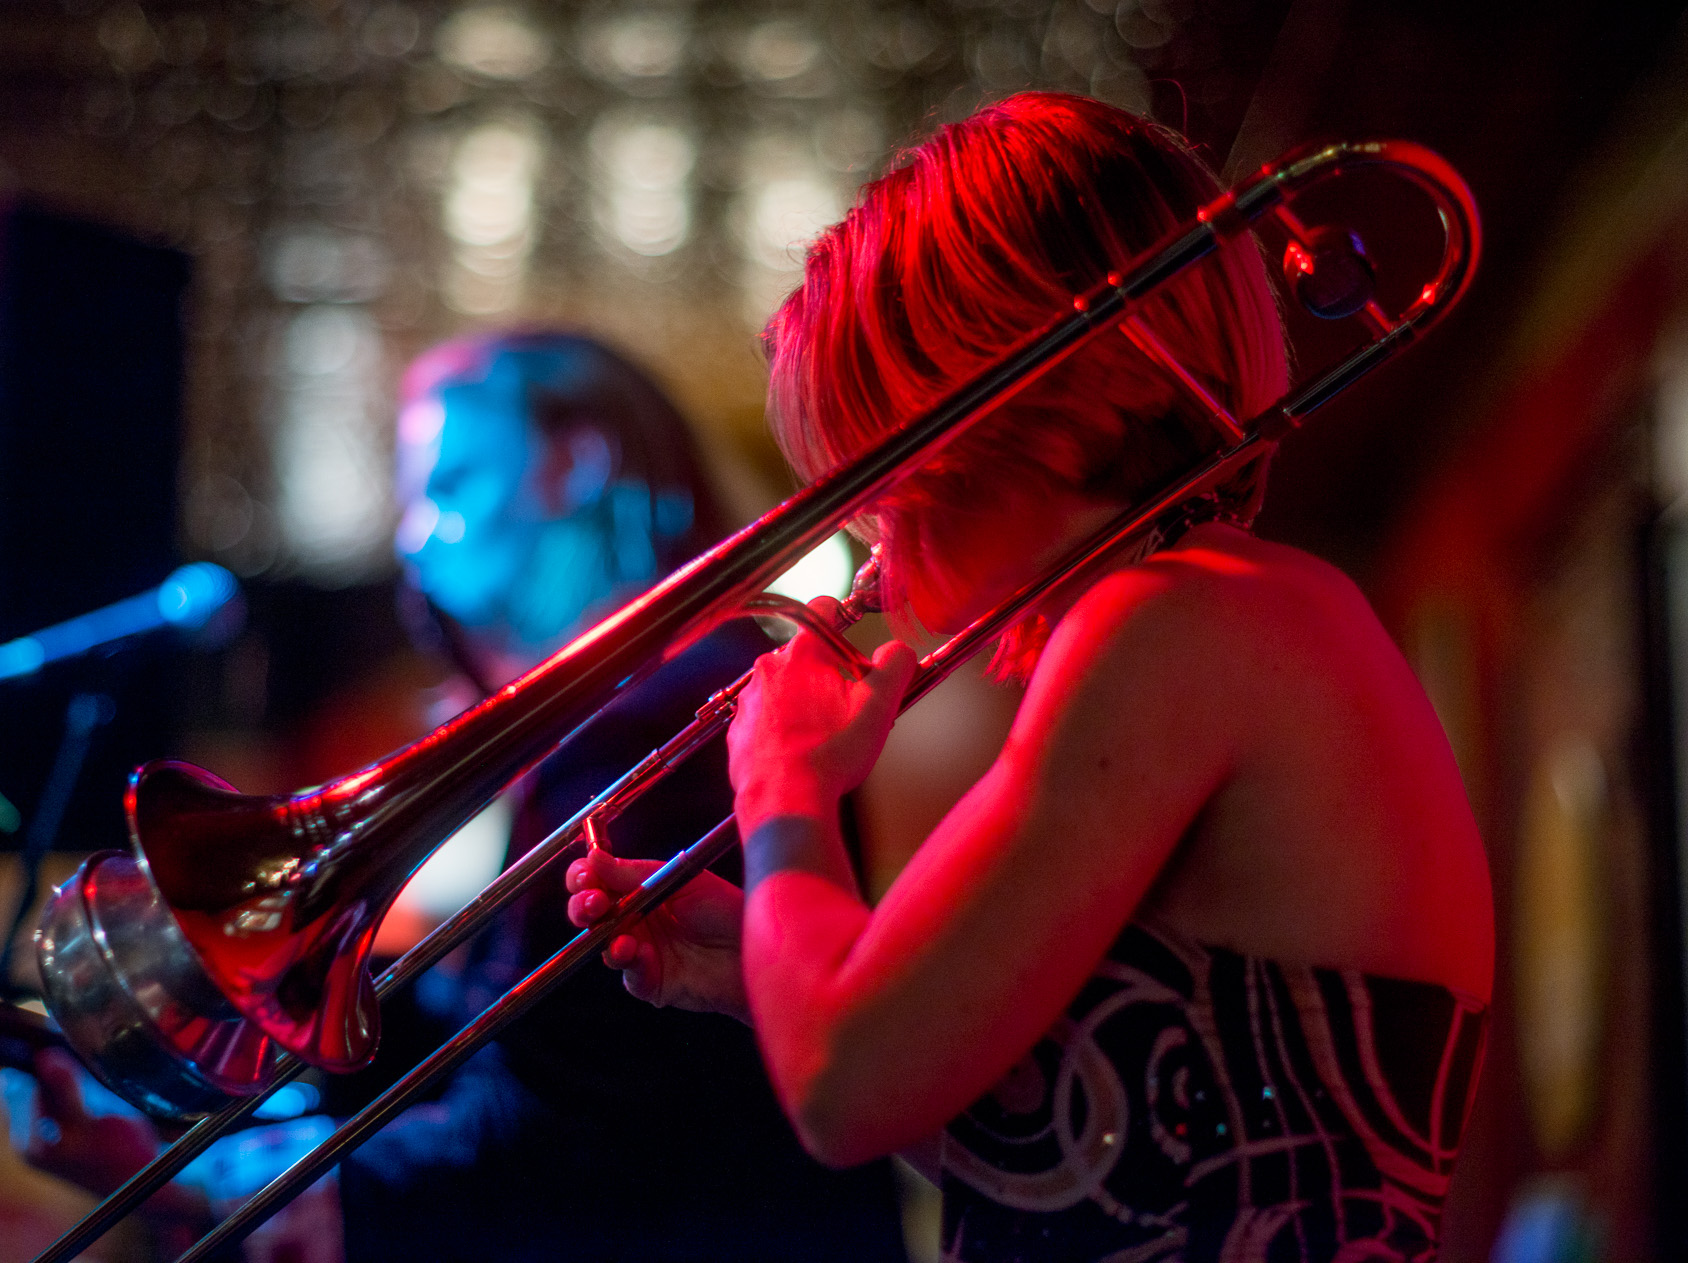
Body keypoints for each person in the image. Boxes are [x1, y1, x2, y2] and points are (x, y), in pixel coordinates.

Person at [568, 92, 1495, 1263]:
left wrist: (784, 790)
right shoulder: (1221, 619)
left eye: (883, 465)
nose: (872, 539)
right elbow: (1097, 1164)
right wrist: (770, 966)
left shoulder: (1177, 621)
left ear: (1038, 402)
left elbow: (844, 1092)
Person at [20, 330, 909, 1262]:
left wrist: (223, 1183)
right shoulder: (601, 729)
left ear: (578, 462)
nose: (412, 538)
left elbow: (563, 1132)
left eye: (449, 486)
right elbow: (508, 1053)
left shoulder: (668, 718)